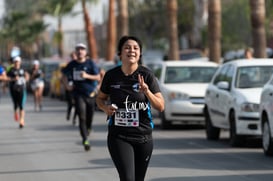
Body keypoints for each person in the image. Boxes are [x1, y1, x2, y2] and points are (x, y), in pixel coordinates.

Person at [96, 35, 165, 181]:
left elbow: (160, 106)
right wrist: (105, 108)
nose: (132, 51)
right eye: (127, 47)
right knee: (127, 178)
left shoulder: (147, 75)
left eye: (135, 48)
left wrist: (147, 91)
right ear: (120, 53)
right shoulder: (111, 76)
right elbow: (99, 99)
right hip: (119, 136)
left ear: (140, 54)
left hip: (144, 137)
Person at [62, 43, 100, 151]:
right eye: (78, 49)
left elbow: (98, 77)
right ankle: (85, 139)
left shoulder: (90, 63)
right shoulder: (72, 64)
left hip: (91, 94)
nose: (80, 51)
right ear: (76, 52)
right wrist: (67, 86)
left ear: (85, 52)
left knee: (89, 116)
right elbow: (63, 75)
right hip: (78, 94)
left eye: (82, 49)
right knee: (81, 116)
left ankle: (88, 128)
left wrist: (87, 76)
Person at [7, 56, 29, 128]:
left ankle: (21, 120)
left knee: (21, 105)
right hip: (13, 89)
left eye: (18, 61)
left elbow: (27, 75)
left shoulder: (23, 69)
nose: (17, 63)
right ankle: (15, 112)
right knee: (15, 104)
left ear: (20, 62)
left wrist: (26, 79)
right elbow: (6, 78)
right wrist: (13, 79)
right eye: (15, 62)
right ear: (14, 62)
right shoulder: (11, 70)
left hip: (21, 88)